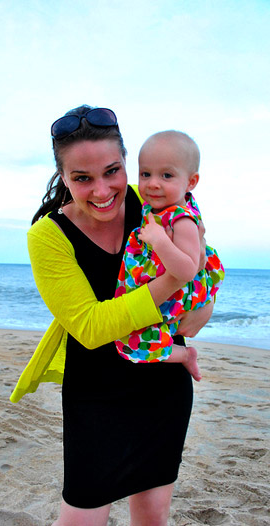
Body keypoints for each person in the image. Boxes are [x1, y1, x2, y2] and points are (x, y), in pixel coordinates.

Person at [10, 105, 214, 526]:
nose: (102, 190)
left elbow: (203, 257)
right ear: (63, 178)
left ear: (126, 165)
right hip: (96, 395)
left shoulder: (152, 202)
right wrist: (173, 285)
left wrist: (208, 302)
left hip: (162, 384)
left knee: (153, 518)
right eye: (82, 178)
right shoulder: (48, 235)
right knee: (81, 518)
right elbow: (90, 327)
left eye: (113, 171)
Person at [115, 131, 225, 381]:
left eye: (166, 175)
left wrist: (160, 240)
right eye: (146, 174)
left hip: (177, 292)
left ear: (191, 182)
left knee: (128, 340)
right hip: (163, 287)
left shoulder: (181, 219)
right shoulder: (157, 206)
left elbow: (188, 269)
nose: (153, 183)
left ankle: (184, 355)